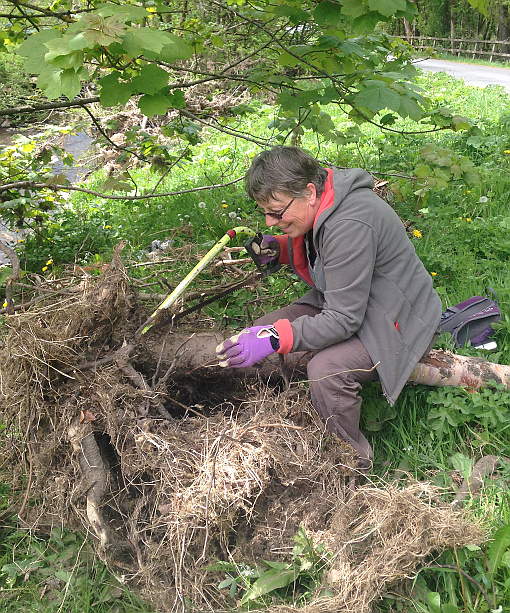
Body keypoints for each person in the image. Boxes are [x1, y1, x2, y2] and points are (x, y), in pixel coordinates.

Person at [216, 146, 442, 468]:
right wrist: (281, 248)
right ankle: (294, 417)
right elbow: (326, 256)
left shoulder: (351, 222)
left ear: (309, 191)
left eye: (277, 213)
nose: (270, 220)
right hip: (351, 300)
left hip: (396, 318)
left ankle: (349, 462)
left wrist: (276, 338)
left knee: (327, 370)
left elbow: (344, 319)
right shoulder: (324, 199)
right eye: (265, 212)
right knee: (262, 328)